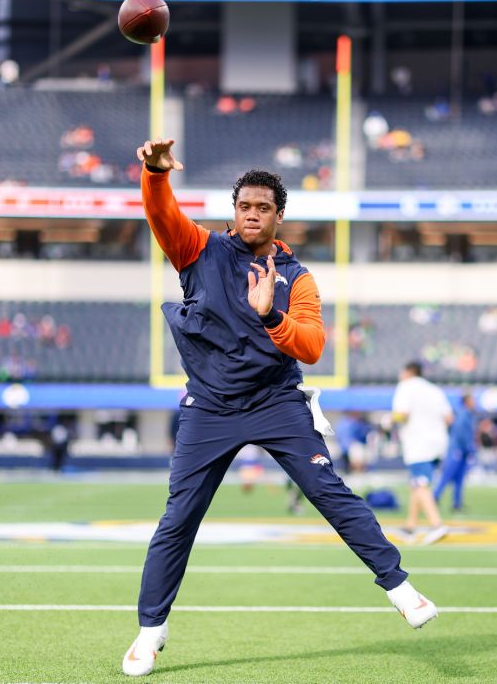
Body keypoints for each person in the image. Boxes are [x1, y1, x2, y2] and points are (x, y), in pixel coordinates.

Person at [121, 139, 436, 677]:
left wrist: (271, 318)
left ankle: (400, 587)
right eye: (244, 206)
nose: (252, 215)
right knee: (180, 516)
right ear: (233, 211)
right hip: (211, 405)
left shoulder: (299, 277)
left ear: (278, 216)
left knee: (327, 491)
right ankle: (151, 630)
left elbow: (311, 345)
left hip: (275, 400)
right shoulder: (198, 249)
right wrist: (154, 173)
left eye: (263, 208)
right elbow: (161, 212)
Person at [392, 361, 452, 544]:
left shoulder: (405, 387)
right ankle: (410, 526)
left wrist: (388, 419)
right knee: (417, 483)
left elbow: (402, 414)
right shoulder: (435, 390)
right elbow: (449, 418)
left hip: (418, 441)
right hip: (439, 441)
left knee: (420, 483)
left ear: (408, 372)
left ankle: (437, 524)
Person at [434, 392, 476, 511]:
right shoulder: (463, 414)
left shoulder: (466, 414)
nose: (475, 403)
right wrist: (469, 448)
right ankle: (434, 497)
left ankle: (457, 503)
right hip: (457, 450)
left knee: (459, 478)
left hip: (462, 451)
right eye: (472, 400)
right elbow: (461, 434)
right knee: (447, 475)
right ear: (467, 401)